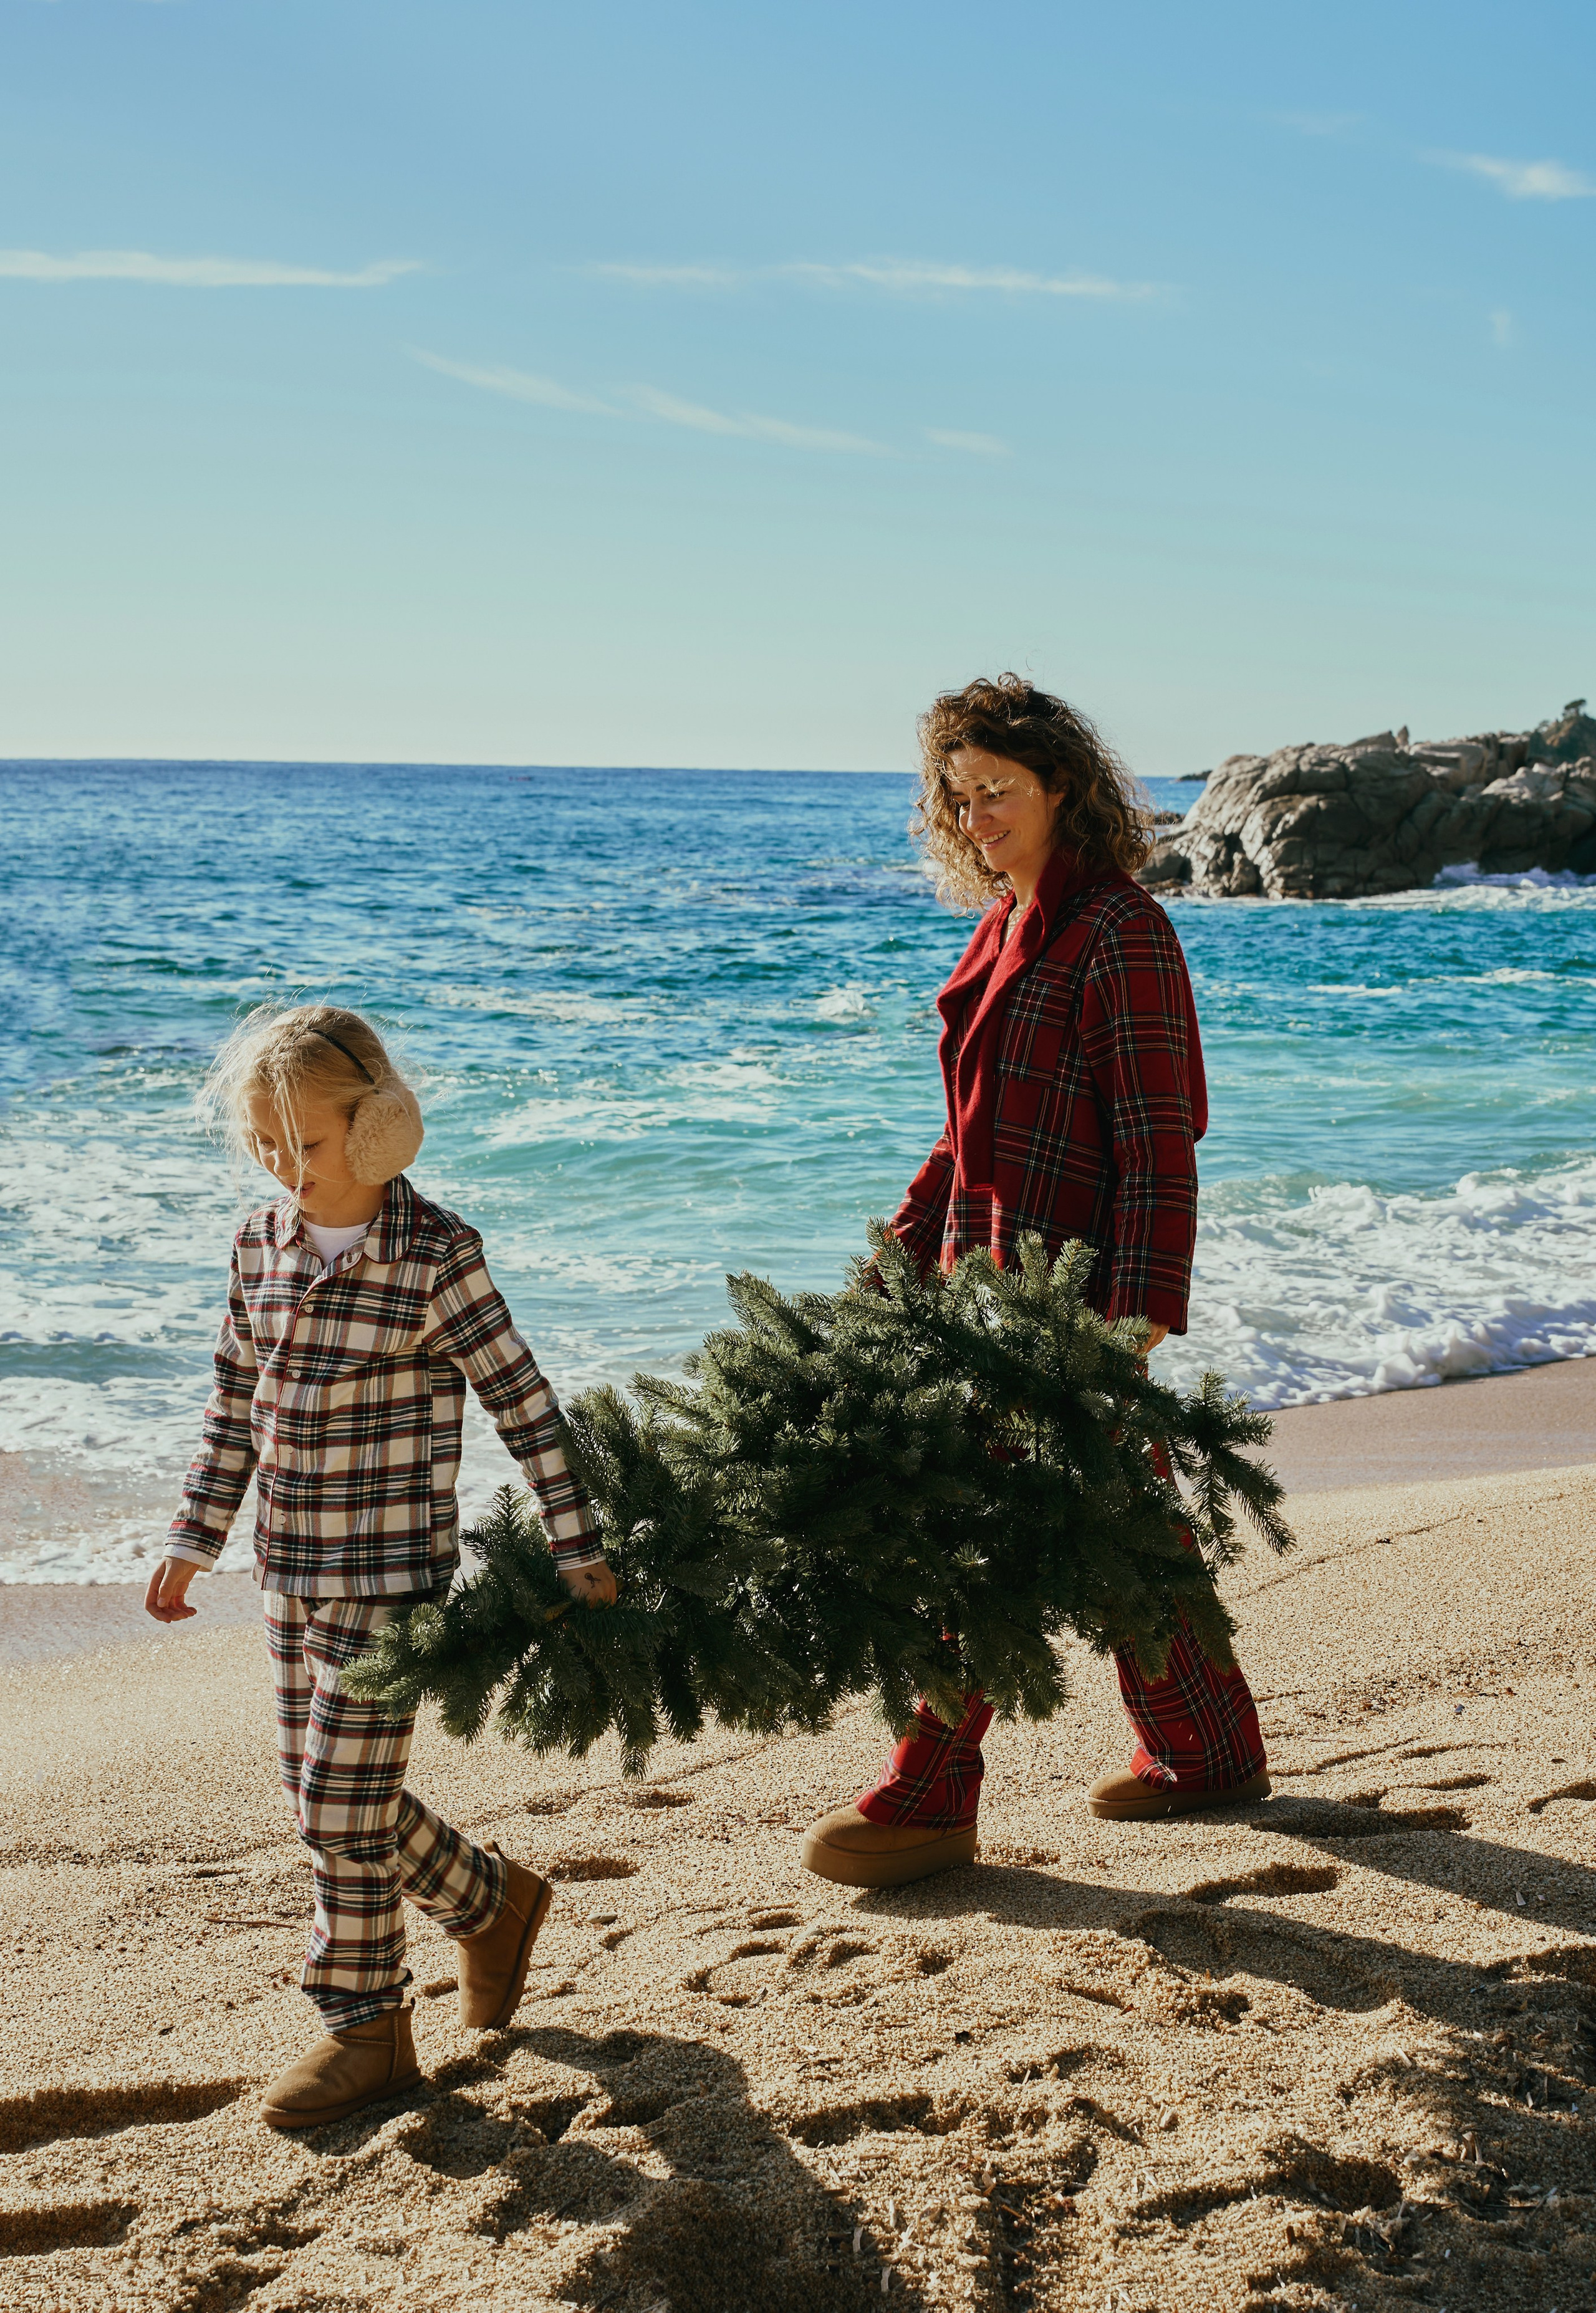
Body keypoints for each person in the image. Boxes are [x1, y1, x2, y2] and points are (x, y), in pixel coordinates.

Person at [801, 677, 1269, 1890]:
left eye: (995, 792)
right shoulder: (1001, 926)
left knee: (972, 1525)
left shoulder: (1118, 929)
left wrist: (1135, 1318)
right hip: (979, 1279)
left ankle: (930, 1792)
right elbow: (960, 1135)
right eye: (955, 799)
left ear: (1062, 785)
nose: (973, 818)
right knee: (1124, 1532)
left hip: (1071, 1300)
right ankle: (1206, 1750)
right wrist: (893, 1259)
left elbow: (1160, 1138)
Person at [145, 1003, 616, 2126]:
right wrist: (192, 1534)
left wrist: (576, 1540)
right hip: (287, 1574)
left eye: (304, 1141)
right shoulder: (260, 1244)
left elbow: (524, 1401)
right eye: (265, 1143)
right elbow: (231, 1406)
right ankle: (492, 1905)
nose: (283, 1166)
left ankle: (367, 2030)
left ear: (380, 1126)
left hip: (391, 1578)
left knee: (339, 1807)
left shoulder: (435, 1255)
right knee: (327, 1798)